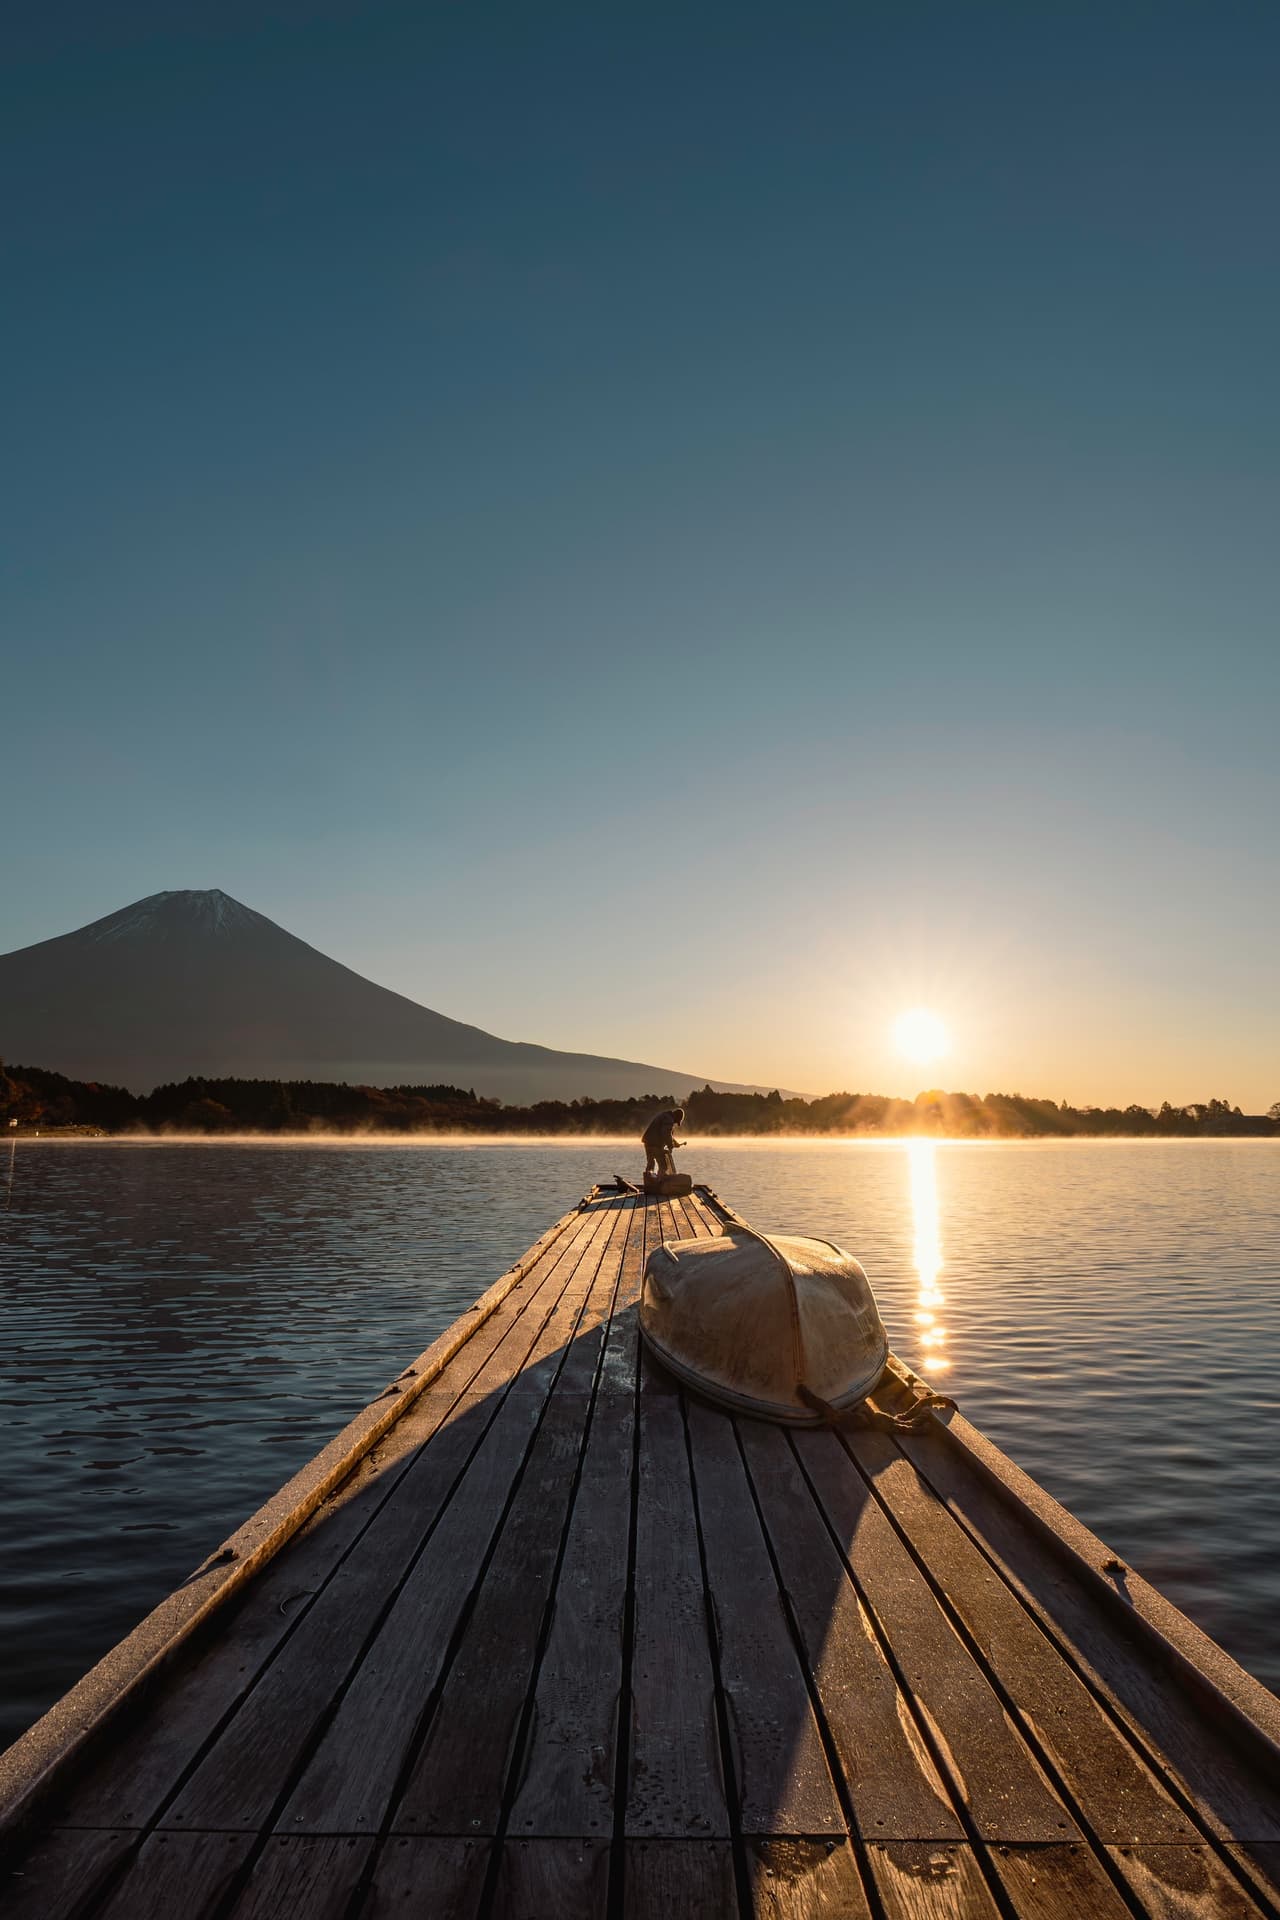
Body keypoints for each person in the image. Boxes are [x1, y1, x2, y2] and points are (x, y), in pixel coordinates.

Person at [642, 1105, 686, 1177]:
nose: (675, 1123)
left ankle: (649, 1182)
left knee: (650, 1164)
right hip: (655, 1145)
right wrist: (670, 1146)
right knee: (663, 1166)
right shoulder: (669, 1119)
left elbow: (668, 1135)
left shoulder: (665, 1116)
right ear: (676, 1116)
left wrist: (675, 1143)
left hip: (648, 1143)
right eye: (676, 1121)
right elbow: (666, 1133)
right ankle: (660, 1183)